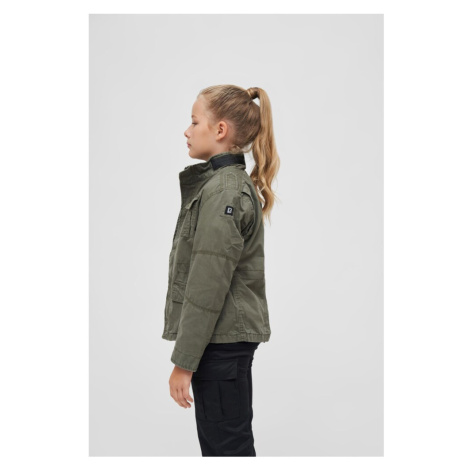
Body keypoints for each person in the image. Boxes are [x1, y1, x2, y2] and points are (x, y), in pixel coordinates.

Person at [162, 84, 280, 456]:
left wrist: (184, 363)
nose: (187, 130)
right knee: (225, 446)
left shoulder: (224, 191)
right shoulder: (221, 186)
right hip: (222, 341)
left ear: (220, 130)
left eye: (195, 121)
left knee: (227, 449)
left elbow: (207, 283)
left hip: (221, 343)